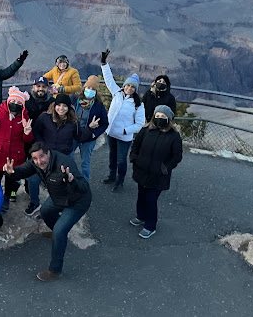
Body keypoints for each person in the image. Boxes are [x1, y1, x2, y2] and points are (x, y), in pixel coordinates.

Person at [3, 143, 91, 282]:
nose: (39, 161)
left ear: (48, 153)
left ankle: (55, 270)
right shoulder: (35, 163)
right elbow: (22, 171)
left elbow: (84, 187)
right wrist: (11, 172)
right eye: (35, 158)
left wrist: (72, 181)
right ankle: (58, 234)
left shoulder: (64, 163)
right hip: (58, 197)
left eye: (42, 156)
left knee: (59, 231)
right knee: (45, 212)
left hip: (77, 201)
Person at [26, 93, 91, 216]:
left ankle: (58, 206)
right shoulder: (45, 117)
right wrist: (42, 145)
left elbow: (80, 137)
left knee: (60, 183)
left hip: (63, 157)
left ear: (69, 108)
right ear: (54, 106)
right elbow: (36, 131)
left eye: (64, 106)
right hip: (45, 156)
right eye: (59, 105)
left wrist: (90, 128)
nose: (61, 108)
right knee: (33, 179)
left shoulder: (73, 122)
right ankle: (34, 203)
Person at [129, 105, 183, 238]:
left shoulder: (174, 136)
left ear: (169, 119)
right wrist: (134, 158)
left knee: (151, 199)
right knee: (141, 196)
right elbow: (136, 144)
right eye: (157, 116)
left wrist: (165, 168)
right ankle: (140, 216)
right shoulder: (146, 130)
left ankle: (150, 226)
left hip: (158, 175)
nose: (159, 118)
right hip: (142, 170)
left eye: (163, 117)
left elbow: (177, 156)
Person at [100, 49, 145, 192]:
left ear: (135, 89)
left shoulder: (138, 104)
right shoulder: (116, 93)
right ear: (124, 85)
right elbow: (108, 79)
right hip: (111, 133)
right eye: (128, 85)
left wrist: (126, 130)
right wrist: (104, 63)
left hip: (124, 137)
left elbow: (139, 124)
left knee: (121, 160)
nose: (129, 88)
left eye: (132, 87)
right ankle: (111, 176)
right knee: (112, 157)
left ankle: (120, 181)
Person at [0, 86, 33, 211]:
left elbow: (27, 140)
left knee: (13, 181)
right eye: (13, 101)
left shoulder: (24, 117)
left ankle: (10, 196)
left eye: (18, 103)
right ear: (8, 101)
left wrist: (27, 132)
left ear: (22, 105)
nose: (14, 104)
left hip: (15, 155)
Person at [68, 75, 109, 181]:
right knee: (69, 158)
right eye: (88, 87)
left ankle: (84, 183)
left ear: (96, 91)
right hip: (73, 134)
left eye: (93, 89)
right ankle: (71, 180)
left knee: (85, 162)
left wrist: (94, 134)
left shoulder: (98, 105)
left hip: (88, 137)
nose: (90, 90)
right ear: (84, 87)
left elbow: (105, 123)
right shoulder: (74, 99)